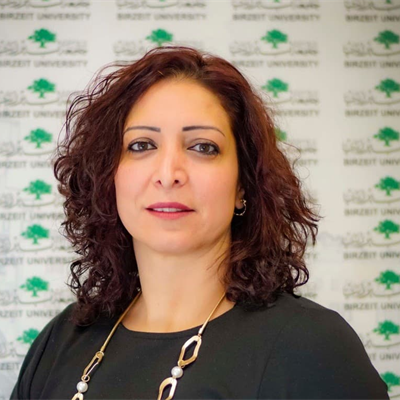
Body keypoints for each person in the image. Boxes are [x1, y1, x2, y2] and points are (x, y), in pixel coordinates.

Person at [10, 46, 389, 400]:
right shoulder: (61, 340)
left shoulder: (312, 348)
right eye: (141, 145)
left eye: (202, 147)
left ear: (243, 185)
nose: (168, 174)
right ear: (109, 178)